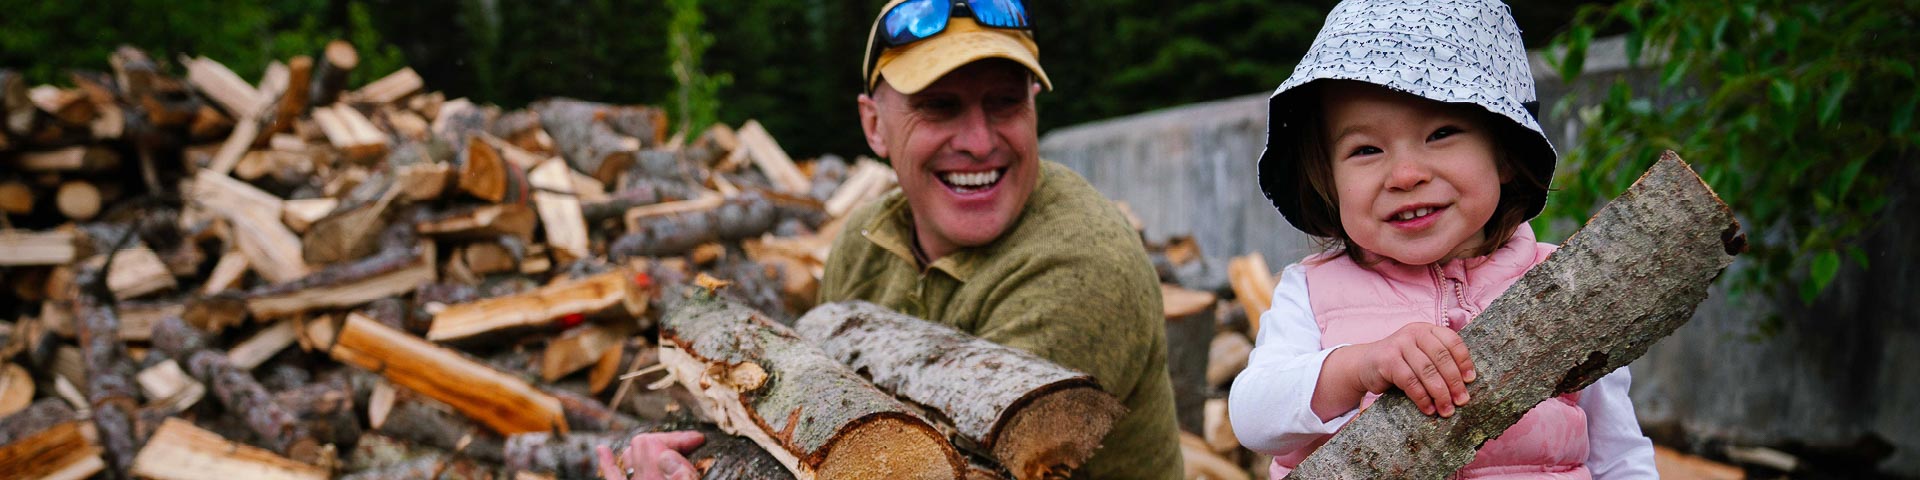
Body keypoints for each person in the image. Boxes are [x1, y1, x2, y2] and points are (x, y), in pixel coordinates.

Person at [599, 0, 1183, 478]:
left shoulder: (1078, 268)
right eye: (940, 107)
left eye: (1004, 102)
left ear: (1033, 108)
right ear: (874, 126)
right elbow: (813, 424)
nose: (979, 141)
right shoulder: (865, 238)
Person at [1228, 0, 1660, 478]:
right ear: (1327, 180)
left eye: (1441, 133)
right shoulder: (1310, 292)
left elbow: (1619, 455)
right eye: (1366, 149)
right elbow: (1252, 415)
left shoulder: (1566, 287)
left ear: (1505, 152)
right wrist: (1358, 367)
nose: (1406, 175)